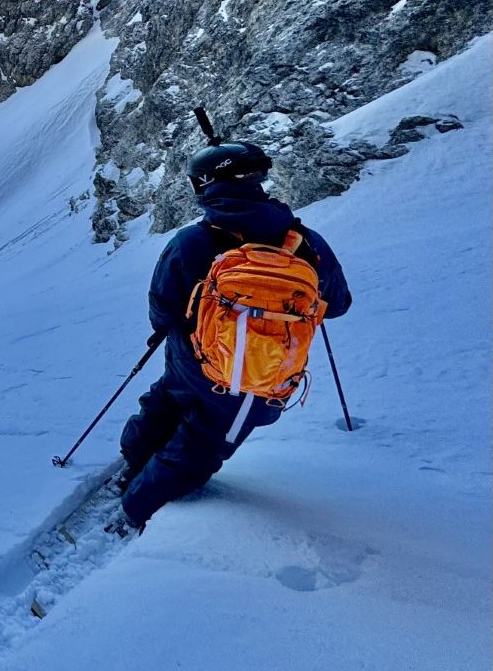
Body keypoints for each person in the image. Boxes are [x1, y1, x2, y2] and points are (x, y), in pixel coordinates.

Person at [108, 141, 352, 536]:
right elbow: (338, 304)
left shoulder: (189, 242)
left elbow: (163, 311)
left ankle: (133, 465)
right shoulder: (307, 245)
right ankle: (135, 510)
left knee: (165, 402)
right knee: (200, 446)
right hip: (253, 377)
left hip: (189, 360)